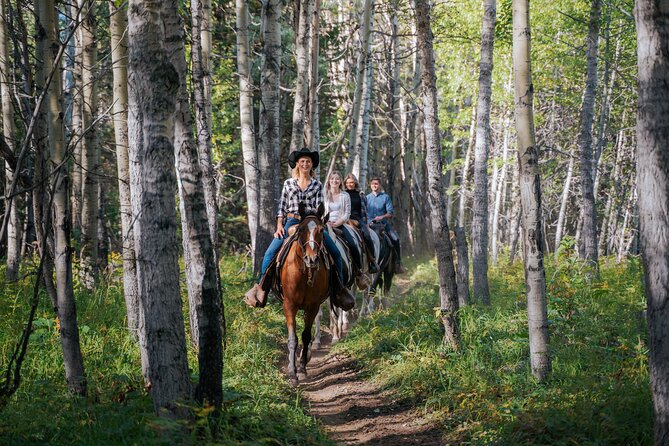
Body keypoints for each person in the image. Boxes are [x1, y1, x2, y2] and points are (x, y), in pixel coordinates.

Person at [244, 148, 355, 308]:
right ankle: (262, 290)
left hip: (311, 224)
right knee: (269, 253)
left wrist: (320, 224)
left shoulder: (317, 184)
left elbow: (319, 207)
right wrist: (279, 225)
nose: (305, 164)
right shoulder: (288, 183)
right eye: (302, 161)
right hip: (291, 222)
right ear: (297, 164)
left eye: (308, 162)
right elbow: (282, 206)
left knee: (336, 254)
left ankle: (340, 291)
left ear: (312, 165)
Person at [324, 171, 363, 276]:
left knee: (353, 244)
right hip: (325, 224)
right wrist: (326, 221)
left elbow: (347, 214)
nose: (334, 181)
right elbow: (321, 211)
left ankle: (359, 273)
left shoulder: (345, 195)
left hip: (340, 224)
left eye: (337, 179)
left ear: (340, 181)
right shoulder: (324, 195)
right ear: (329, 181)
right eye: (332, 179)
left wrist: (336, 224)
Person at [366, 177, 407, 274]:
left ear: (379, 185)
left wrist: (381, 217)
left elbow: (390, 213)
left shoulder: (385, 197)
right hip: (369, 225)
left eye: (376, 184)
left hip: (383, 225)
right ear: (370, 185)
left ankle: (398, 263)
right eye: (372, 184)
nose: (374, 185)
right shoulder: (366, 198)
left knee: (396, 239)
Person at [343, 173, 377, 273]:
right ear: (345, 183)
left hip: (358, 219)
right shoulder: (342, 194)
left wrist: (365, 223)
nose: (350, 184)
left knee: (367, 235)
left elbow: (364, 211)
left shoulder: (361, 195)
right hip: (345, 219)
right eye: (348, 183)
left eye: (352, 182)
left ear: (355, 183)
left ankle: (372, 261)